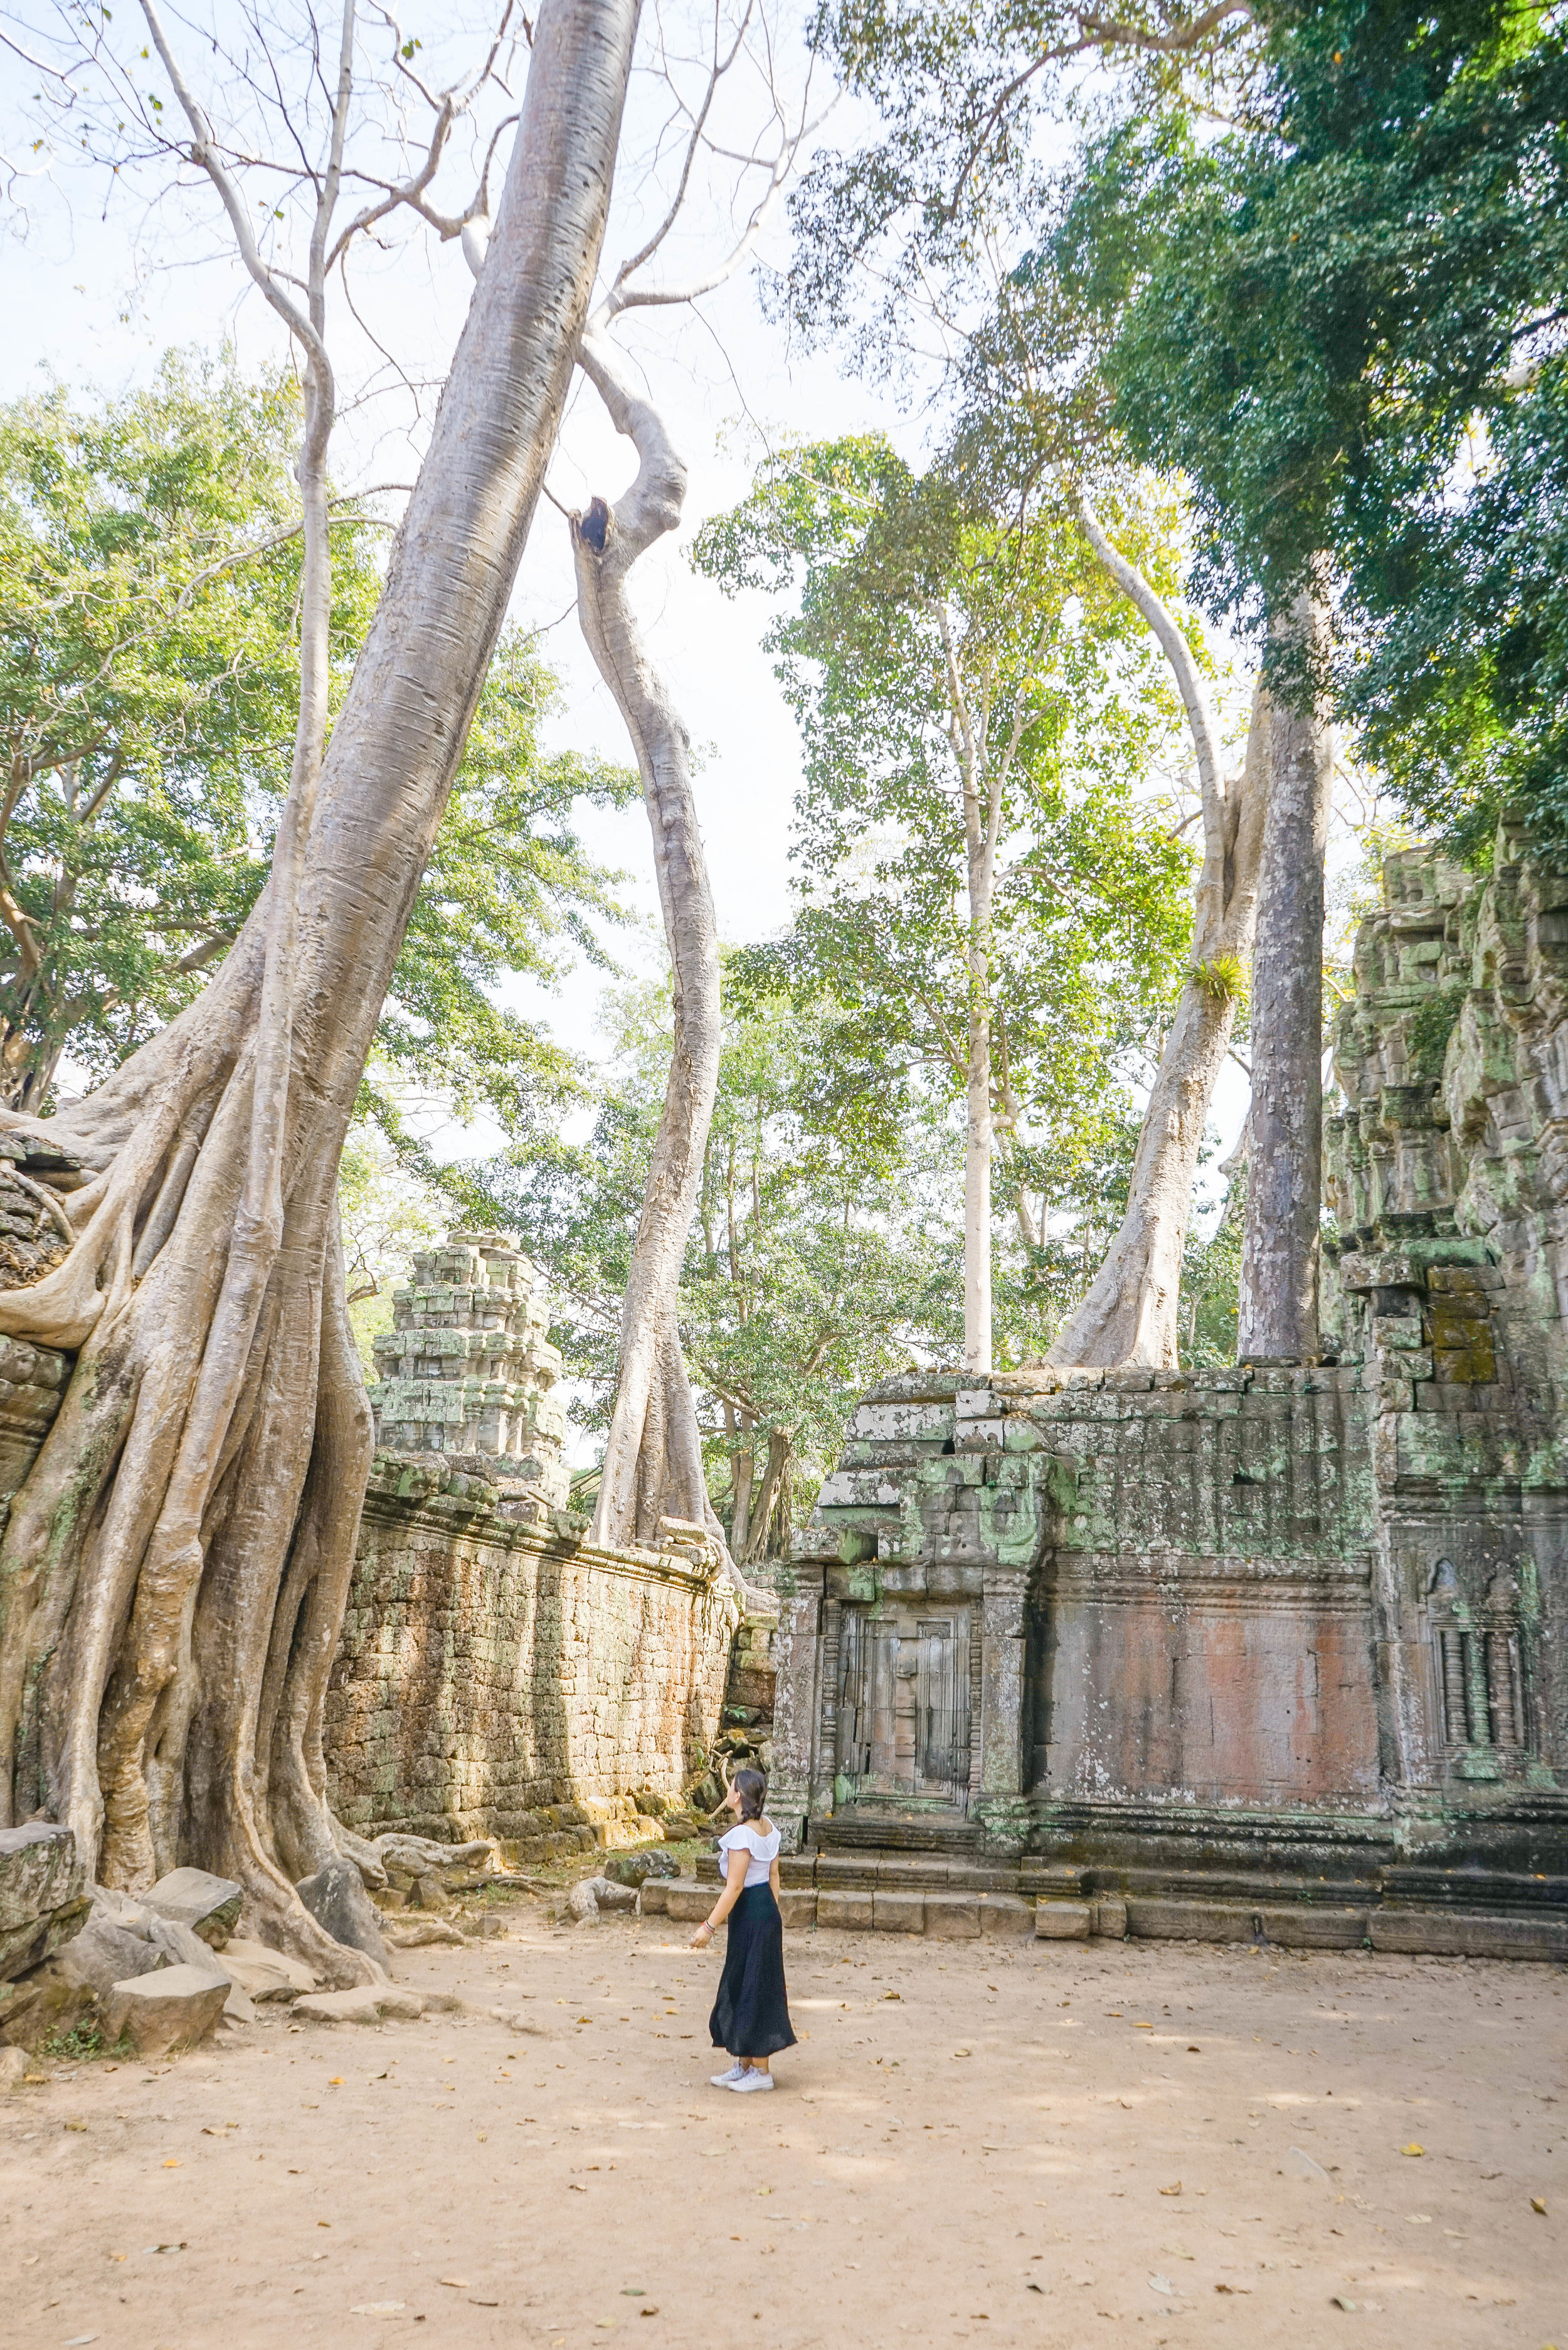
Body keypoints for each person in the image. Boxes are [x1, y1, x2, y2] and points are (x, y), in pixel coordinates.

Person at [689, 1766, 797, 2093]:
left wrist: (708, 1927)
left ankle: (761, 2072)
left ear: (737, 1796)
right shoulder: (769, 1829)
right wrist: (772, 1914)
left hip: (751, 1909)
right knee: (743, 1981)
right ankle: (744, 2062)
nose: (728, 1788)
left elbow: (733, 1888)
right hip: (763, 1909)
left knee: (756, 1986)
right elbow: (773, 1878)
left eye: (731, 1785)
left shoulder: (742, 1835)